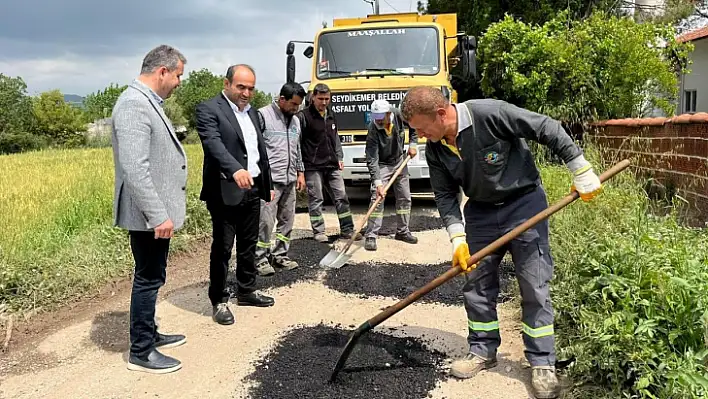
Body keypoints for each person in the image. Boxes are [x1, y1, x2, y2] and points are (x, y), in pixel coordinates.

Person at [399, 86, 602, 399]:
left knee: (534, 284)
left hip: (525, 204)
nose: (421, 135)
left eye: (422, 127)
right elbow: (444, 195)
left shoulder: (490, 113)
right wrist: (457, 238)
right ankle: (482, 349)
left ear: (441, 113)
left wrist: (580, 168)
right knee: (476, 283)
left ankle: (542, 363)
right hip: (480, 212)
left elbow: (546, 127)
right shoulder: (436, 148)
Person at [111, 44, 188, 374]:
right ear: (163, 72)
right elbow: (134, 168)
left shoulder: (146, 103)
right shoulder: (133, 105)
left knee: (154, 275)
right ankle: (141, 351)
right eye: (179, 76)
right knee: (147, 278)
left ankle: (150, 334)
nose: (179, 82)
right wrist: (158, 214)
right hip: (147, 216)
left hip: (153, 214)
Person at [195, 64, 276, 326]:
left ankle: (246, 290)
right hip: (225, 190)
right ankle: (219, 299)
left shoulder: (252, 114)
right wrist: (235, 170)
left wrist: (266, 184)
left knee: (249, 244)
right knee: (222, 248)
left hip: (252, 188)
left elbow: (258, 151)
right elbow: (213, 145)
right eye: (241, 87)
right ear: (227, 83)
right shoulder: (209, 109)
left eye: (251, 88)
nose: (246, 93)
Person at [254, 82, 307, 276]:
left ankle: (280, 255)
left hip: (290, 180)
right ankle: (259, 258)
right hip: (269, 181)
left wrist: (300, 173)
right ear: (281, 99)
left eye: (299, 105)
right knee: (265, 222)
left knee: (287, 221)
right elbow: (254, 148)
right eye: (293, 104)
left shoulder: (295, 121)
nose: (296, 109)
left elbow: (297, 148)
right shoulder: (263, 116)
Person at [297, 83, 361, 242]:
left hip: (332, 164)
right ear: (313, 97)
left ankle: (347, 229)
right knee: (316, 199)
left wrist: (339, 157)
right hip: (312, 166)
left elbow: (335, 137)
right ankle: (318, 231)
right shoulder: (303, 117)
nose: (324, 102)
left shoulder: (331, 114)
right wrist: (300, 170)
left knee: (342, 197)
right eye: (320, 99)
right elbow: (297, 143)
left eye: (327, 98)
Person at [363, 99, 419, 251]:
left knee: (405, 197)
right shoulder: (373, 129)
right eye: (376, 118)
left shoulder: (399, 114)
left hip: (400, 161)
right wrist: (378, 183)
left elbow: (414, 126)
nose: (379, 121)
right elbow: (372, 159)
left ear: (389, 113)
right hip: (382, 164)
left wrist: (413, 145)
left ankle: (402, 231)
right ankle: (371, 235)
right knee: (377, 198)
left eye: (381, 118)